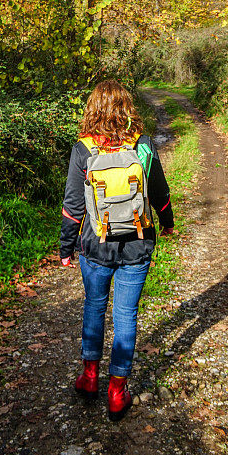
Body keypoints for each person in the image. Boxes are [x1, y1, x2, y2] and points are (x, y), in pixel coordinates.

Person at [60, 80, 174, 421]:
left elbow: (73, 205)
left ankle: (90, 377)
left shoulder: (83, 148)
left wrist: (66, 247)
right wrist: (167, 222)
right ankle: (117, 390)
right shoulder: (142, 144)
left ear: (92, 108)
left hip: (97, 243)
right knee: (126, 314)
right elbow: (158, 190)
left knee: (94, 306)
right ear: (128, 109)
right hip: (138, 241)